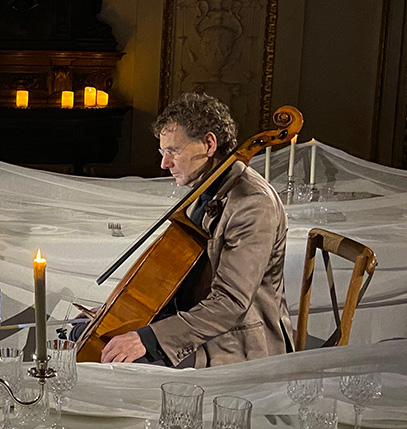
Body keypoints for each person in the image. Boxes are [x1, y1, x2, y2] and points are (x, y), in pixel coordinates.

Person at [99, 92, 294, 367]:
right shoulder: (204, 190)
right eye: (163, 152)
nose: (164, 164)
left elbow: (230, 304)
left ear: (209, 144)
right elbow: (183, 284)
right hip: (201, 330)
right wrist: (121, 316)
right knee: (91, 339)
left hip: (238, 343)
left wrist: (148, 339)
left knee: (119, 367)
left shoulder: (252, 202)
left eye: (173, 151)